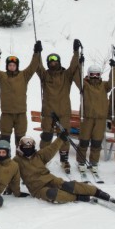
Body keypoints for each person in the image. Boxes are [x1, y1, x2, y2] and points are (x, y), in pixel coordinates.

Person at [13, 134, 112, 204]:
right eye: (25, 148)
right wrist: (15, 192)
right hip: (37, 189)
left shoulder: (38, 155)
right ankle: (77, 197)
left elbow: (52, 149)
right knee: (52, 194)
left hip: (50, 179)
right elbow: (12, 176)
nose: (28, 150)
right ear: (20, 148)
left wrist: (61, 138)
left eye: (30, 147)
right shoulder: (17, 161)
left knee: (67, 185)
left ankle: (96, 192)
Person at [35, 39, 81, 172]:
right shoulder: (45, 75)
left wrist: (76, 52)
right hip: (48, 112)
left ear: (59, 61)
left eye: (55, 60)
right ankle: (42, 159)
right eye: (50, 60)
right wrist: (37, 52)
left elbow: (73, 66)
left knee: (64, 137)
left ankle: (64, 160)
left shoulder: (66, 75)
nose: (53, 62)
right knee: (46, 137)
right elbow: (37, 66)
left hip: (63, 112)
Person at [0, 45, 40, 146]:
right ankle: (5, 159)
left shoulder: (24, 75)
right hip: (6, 114)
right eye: (10, 65)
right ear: (7, 66)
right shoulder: (1, 76)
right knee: (4, 138)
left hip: (21, 114)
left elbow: (33, 66)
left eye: (14, 65)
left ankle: (20, 159)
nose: (12, 67)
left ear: (17, 66)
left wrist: (36, 53)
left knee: (21, 139)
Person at [76, 61, 115, 178]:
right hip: (87, 118)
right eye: (92, 74)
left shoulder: (104, 86)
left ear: (100, 75)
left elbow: (114, 81)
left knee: (96, 142)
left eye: (97, 74)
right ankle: (81, 161)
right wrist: (79, 64)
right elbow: (76, 77)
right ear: (88, 75)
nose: (94, 77)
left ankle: (94, 162)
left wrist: (114, 68)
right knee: (84, 141)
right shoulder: (84, 85)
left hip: (100, 119)